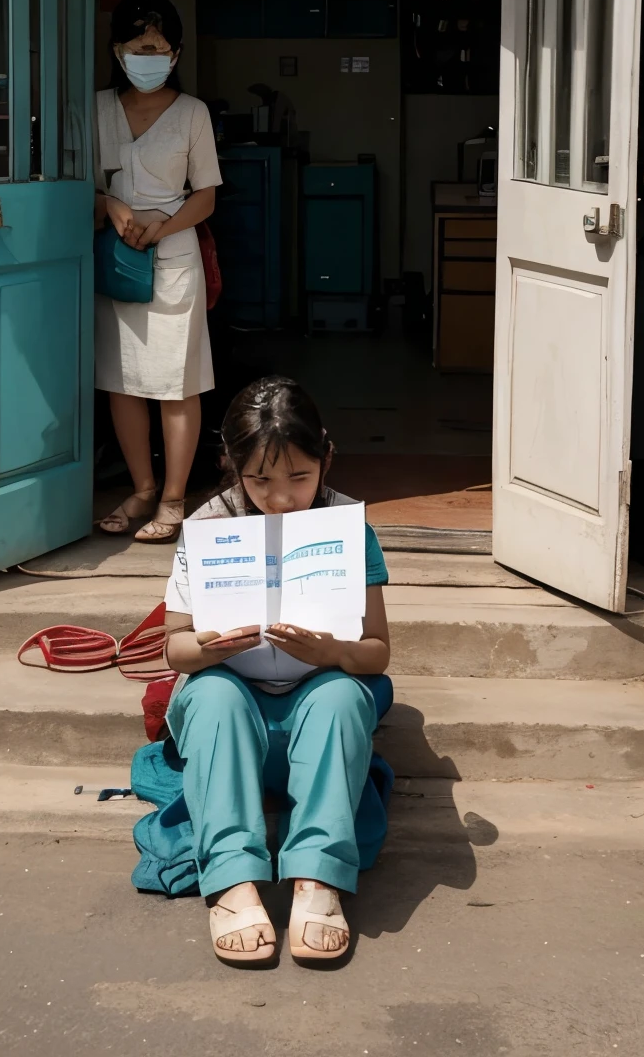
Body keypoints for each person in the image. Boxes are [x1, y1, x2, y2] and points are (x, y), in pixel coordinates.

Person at [161, 376, 392, 966]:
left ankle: (317, 880)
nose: (281, 498)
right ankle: (233, 882)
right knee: (212, 698)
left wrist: (330, 653)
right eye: (259, 480)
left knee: (342, 697)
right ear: (231, 465)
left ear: (326, 458)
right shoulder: (209, 528)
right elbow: (175, 652)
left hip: (319, 689)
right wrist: (211, 646)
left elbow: (376, 654)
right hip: (231, 689)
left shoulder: (347, 526)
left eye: (299, 477)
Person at [94, 0, 222, 545]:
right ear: (117, 50)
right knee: (121, 383)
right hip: (118, 258)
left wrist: (160, 225)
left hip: (172, 259)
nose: (149, 55)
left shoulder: (193, 113)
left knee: (176, 383)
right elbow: (83, 186)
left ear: (176, 53)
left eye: (160, 46)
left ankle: (173, 499)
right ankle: (142, 488)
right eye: (138, 46)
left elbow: (206, 197)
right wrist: (115, 208)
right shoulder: (95, 108)